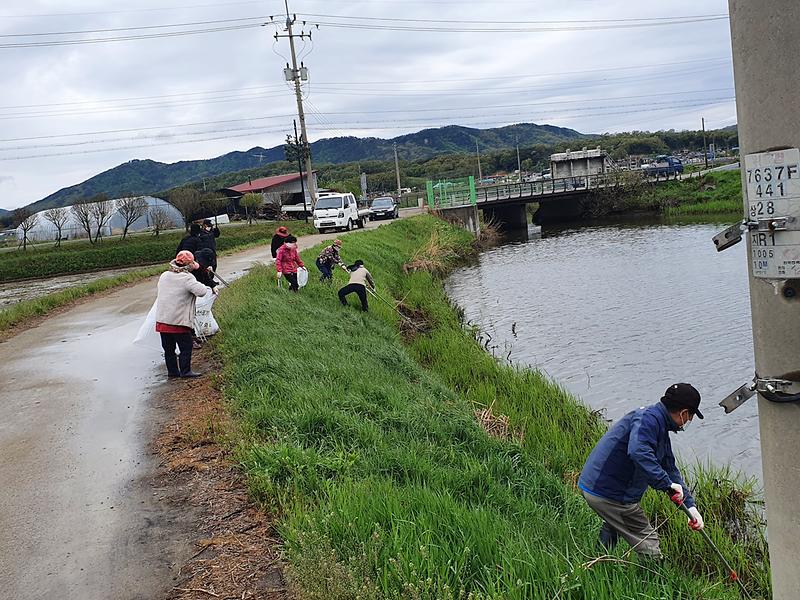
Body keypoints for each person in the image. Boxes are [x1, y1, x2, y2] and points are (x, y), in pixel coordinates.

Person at [578, 383, 705, 559]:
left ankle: (599, 565)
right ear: (684, 413)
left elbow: (670, 468)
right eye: (690, 416)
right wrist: (666, 485)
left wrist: (690, 507)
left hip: (597, 487)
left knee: (613, 524)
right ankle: (656, 582)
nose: (689, 421)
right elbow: (638, 451)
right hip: (608, 493)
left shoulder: (655, 423)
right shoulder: (648, 421)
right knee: (649, 543)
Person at [155, 250, 211, 378]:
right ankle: (185, 371)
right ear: (189, 265)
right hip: (178, 321)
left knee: (169, 349)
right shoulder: (187, 278)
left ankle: (173, 372)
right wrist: (197, 271)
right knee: (186, 346)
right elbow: (202, 291)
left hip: (163, 321)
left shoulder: (164, 275)